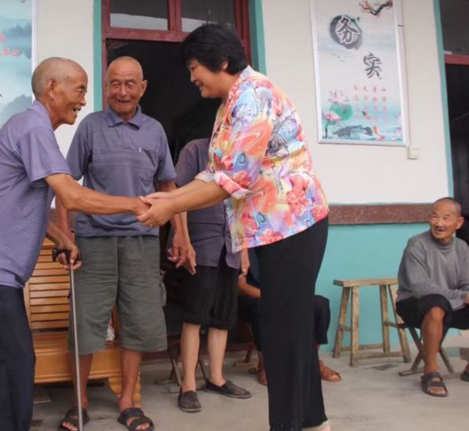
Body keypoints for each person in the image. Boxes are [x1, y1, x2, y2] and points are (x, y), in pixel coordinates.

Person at [137, 24, 330, 431]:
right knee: (286, 328)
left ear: (222, 62)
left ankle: (292, 424)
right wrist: (170, 200)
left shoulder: (254, 97)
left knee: (282, 331)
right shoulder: (231, 103)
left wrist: (170, 204)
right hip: (274, 228)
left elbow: (232, 180)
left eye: (194, 67)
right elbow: (215, 172)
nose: (191, 77)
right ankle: (312, 423)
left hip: (294, 224)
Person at [0, 57, 150, 431]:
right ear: (52, 87)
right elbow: (72, 195)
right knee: (12, 372)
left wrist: (61, 237)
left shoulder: (34, 128)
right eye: (80, 90)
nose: (83, 100)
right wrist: (139, 204)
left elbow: (18, 200)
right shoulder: (33, 128)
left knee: (10, 371)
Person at [56, 56, 188, 431]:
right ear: (106, 87)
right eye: (115, 83)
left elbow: (168, 186)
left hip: (142, 241)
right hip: (93, 241)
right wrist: (65, 235)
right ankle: (79, 402)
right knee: (85, 322)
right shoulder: (90, 127)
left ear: (143, 88)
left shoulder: (155, 131)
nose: (123, 91)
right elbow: (65, 183)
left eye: (130, 83)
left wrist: (180, 232)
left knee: (138, 322)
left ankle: (128, 401)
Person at [168, 138, 251, 413]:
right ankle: (188, 385)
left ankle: (216, 378)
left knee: (223, 317)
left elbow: (243, 205)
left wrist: (244, 249)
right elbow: (177, 195)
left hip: (231, 246)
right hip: (201, 245)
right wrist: (183, 239)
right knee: (194, 316)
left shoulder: (241, 154)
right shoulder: (195, 150)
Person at [396, 197, 469, 397]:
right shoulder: (416, 244)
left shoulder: (461, 247)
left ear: (458, 222)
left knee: (445, 303)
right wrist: (464, 296)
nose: (439, 223)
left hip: (450, 303)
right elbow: (421, 288)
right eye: (434, 217)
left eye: (446, 218)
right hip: (413, 303)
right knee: (436, 304)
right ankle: (430, 371)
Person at [237, 251, 341, 386]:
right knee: (262, 307)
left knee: (320, 305)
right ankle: (266, 364)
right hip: (251, 297)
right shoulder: (243, 245)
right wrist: (270, 298)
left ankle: (311, 362)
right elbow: (239, 285)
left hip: (283, 295)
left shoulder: (282, 244)